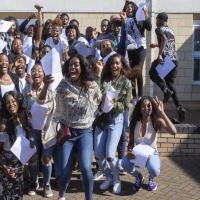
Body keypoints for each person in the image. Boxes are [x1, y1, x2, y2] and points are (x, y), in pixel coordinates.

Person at [50, 54, 101, 200]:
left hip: (85, 131)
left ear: (82, 67)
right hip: (68, 132)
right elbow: (57, 107)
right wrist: (55, 126)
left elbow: (99, 102)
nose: (73, 67)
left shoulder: (92, 86)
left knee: (86, 168)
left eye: (76, 65)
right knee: (65, 172)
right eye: (71, 65)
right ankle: (61, 195)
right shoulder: (63, 85)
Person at [94, 54, 132, 194]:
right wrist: (98, 73)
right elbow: (96, 93)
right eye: (112, 64)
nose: (114, 66)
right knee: (98, 154)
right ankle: (108, 176)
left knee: (110, 155)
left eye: (117, 63)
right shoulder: (104, 79)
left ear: (121, 65)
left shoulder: (126, 83)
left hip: (115, 121)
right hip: (101, 120)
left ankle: (116, 179)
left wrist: (114, 103)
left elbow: (125, 105)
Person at [121, 96, 177, 191]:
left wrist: (162, 113)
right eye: (143, 106)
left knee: (154, 169)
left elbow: (174, 131)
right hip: (138, 153)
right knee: (124, 162)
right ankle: (139, 177)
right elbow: (130, 142)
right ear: (139, 108)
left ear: (152, 107)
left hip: (152, 154)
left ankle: (152, 178)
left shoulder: (156, 121)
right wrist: (129, 151)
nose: (146, 108)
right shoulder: (134, 122)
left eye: (149, 105)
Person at [23, 63, 56, 197]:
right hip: (32, 129)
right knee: (33, 158)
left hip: (47, 130)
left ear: (44, 74)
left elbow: (52, 109)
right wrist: (28, 127)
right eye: (34, 70)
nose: (36, 73)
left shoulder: (51, 90)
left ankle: (47, 184)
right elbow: (24, 110)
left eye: (39, 70)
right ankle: (33, 182)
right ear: (30, 74)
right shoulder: (26, 90)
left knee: (46, 158)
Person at [0, 91, 34, 200]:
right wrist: (4, 167)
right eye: (7, 102)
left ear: (18, 101)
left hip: (20, 165)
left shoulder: (24, 117)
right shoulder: (3, 126)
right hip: (7, 166)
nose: (11, 104)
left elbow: (30, 132)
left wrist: (31, 141)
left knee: (18, 195)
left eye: (13, 101)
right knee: (7, 196)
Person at [149, 12, 186, 122]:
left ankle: (165, 90)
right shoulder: (171, 30)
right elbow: (169, 42)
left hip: (167, 59)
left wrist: (160, 54)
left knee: (152, 73)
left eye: (156, 20)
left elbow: (164, 40)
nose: (156, 22)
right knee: (170, 84)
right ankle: (180, 107)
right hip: (175, 60)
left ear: (160, 20)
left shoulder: (159, 29)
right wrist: (156, 45)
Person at [120, 1, 151, 99]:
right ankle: (134, 97)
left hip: (140, 48)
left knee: (138, 70)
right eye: (127, 7)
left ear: (134, 9)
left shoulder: (138, 18)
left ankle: (140, 96)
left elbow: (149, 27)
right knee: (131, 72)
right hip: (129, 49)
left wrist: (146, 13)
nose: (129, 8)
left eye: (131, 6)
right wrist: (123, 20)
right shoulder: (123, 19)